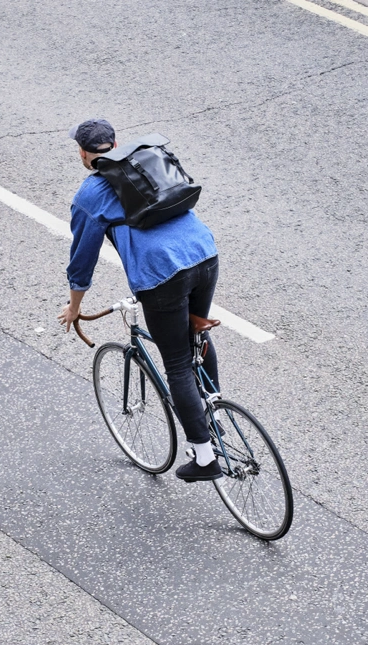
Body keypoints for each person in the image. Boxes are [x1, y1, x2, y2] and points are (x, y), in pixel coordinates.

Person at [57, 118, 223, 482]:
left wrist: (75, 307)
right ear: (116, 144)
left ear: (83, 154)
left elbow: (82, 261)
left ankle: (206, 456)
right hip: (205, 253)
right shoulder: (147, 161)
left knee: (177, 364)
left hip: (162, 274)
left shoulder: (90, 195)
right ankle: (215, 413)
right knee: (196, 331)